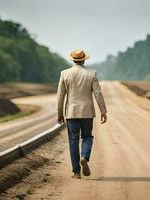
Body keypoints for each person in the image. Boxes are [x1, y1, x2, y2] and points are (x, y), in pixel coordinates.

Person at [57, 49, 107, 179]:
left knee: (73, 141)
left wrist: (59, 114)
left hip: (71, 113)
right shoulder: (92, 74)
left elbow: (60, 96)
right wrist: (103, 111)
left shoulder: (64, 74)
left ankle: (76, 172)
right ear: (84, 59)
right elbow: (98, 94)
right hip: (87, 112)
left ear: (73, 60)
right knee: (87, 137)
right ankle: (84, 156)